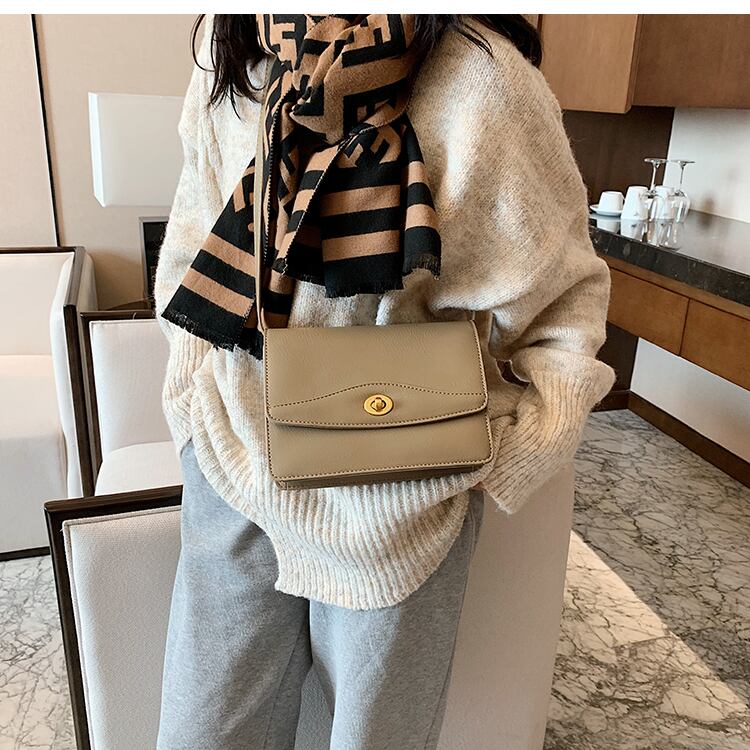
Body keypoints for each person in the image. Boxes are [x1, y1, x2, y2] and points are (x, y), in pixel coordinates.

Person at [155, 14, 614, 750]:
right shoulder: (236, 49)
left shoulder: (483, 80)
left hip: (399, 504)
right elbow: (190, 233)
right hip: (232, 463)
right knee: (201, 734)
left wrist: (513, 454)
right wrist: (188, 402)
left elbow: (565, 307)